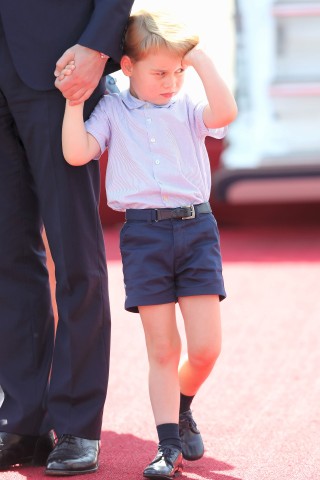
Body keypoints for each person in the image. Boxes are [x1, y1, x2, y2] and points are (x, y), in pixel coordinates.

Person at [61, 9, 238, 479]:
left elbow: (224, 114)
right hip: (144, 237)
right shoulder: (113, 108)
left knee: (204, 349)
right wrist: (74, 101)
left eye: (177, 72)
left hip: (197, 231)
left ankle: (182, 405)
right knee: (161, 348)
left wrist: (198, 61)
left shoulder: (185, 107)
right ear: (127, 66)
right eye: (159, 73)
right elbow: (77, 152)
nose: (170, 82)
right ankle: (168, 446)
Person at [0, 0, 134, 476]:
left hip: (61, 62)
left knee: (73, 248)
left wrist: (100, 44)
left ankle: (77, 422)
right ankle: (22, 421)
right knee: (7, 255)